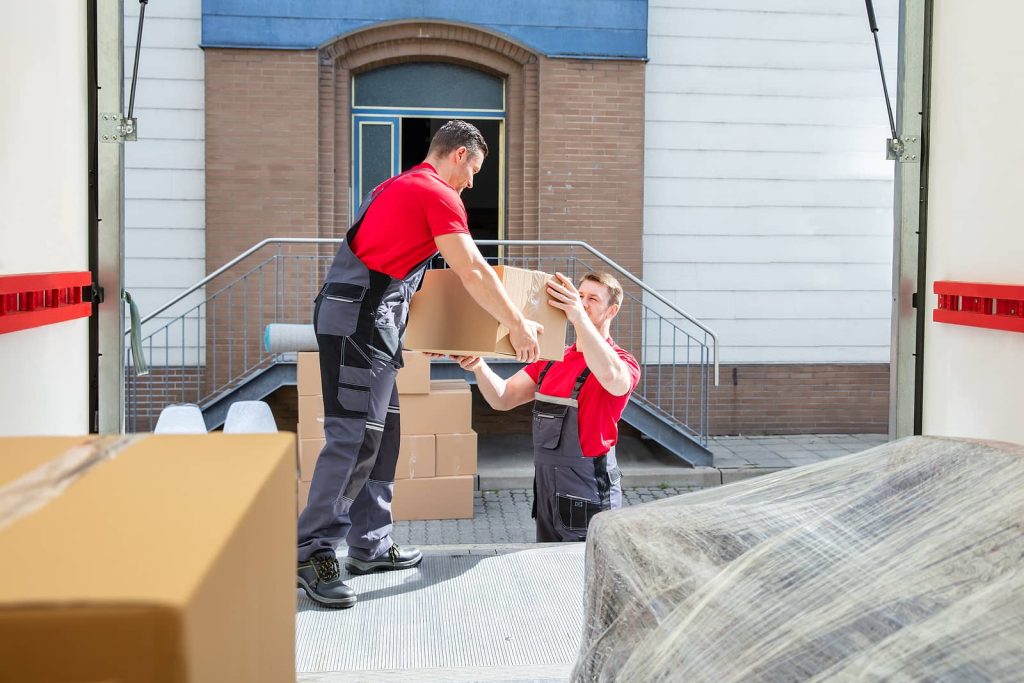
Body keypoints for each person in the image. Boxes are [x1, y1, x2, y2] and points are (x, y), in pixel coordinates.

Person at [297, 120, 544, 608]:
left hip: (375, 321)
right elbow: (470, 268)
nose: (473, 183)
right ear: (456, 156)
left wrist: (435, 334)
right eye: (473, 169)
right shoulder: (435, 193)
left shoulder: (397, 187)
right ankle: (312, 551)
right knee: (354, 438)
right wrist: (516, 322)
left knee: (383, 435)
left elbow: (407, 272)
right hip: (359, 324)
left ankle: (370, 544)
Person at [451, 271, 640, 542]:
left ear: (612, 310)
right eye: (580, 295)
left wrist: (578, 316)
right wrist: (479, 366)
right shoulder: (553, 357)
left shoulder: (623, 361)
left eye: (592, 299)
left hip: (588, 490)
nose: (582, 302)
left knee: (585, 571)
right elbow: (503, 398)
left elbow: (615, 381)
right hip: (548, 489)